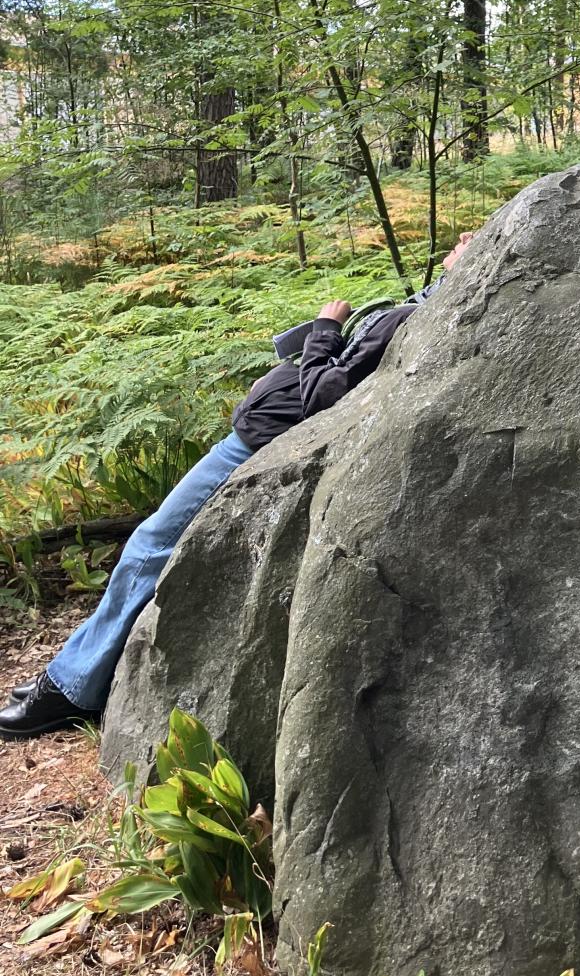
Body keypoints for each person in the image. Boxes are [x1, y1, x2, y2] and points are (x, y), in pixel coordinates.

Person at [1, 233, 473, 740]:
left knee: (149, 547)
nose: (464, 238)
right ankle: (76, 671)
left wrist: (325, 328)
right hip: (259, 438)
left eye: (476, 237)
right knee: (149, 546)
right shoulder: (428, 308)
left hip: (256, 450)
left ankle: (70, 691)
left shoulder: (420, 316)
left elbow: (324, 395)